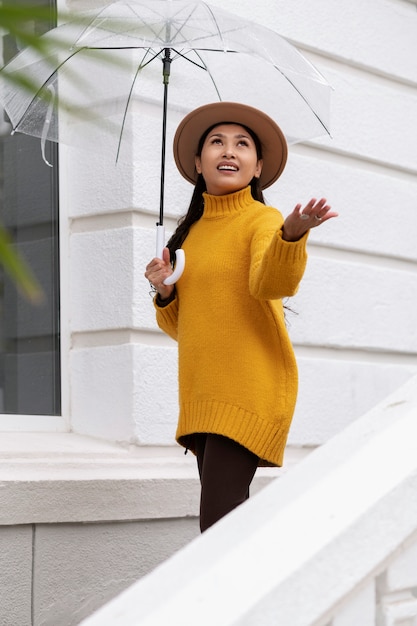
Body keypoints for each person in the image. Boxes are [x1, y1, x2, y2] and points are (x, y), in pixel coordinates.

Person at [145, 102, 337, 532]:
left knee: (217, 526)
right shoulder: (189, 234)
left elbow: (270, 284)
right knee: (224, 529)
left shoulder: (262, 220)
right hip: (202, 395)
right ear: (198, 163)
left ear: (258, 166)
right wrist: (164, 292)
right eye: (216, 142)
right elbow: (185, 327)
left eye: (241, 144)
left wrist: (291, 235)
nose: (228, 151)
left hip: (246, 390)